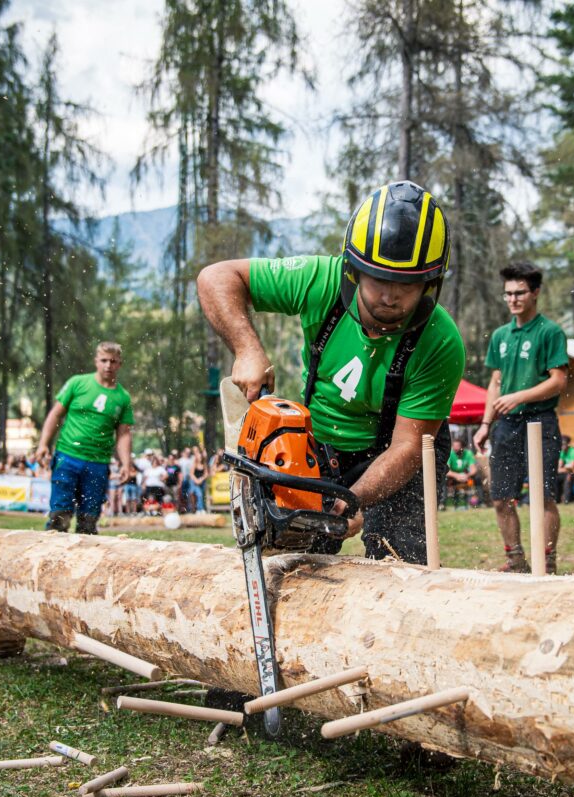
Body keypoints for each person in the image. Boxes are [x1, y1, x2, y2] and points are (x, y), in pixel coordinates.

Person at [197, 180, 465, 565]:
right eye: (379, 279)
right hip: (321, 438)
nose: (390, 296)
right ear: (353, 270)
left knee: (399, 560)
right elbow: (216, 277)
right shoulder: (318, 279)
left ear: (430, 284)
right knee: (291, 558)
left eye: (406, 285)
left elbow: (407, 447)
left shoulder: (441, 341)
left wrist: (355, 498)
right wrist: (247, 349)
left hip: (398, 446)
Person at [473, 261, 568, 574]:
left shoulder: (550, 332)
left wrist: (519, 396)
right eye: (508, 294)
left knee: (543, 497)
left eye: (520, 293)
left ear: (535, 293)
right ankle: (515, 561)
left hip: (541, 421)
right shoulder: (501, 335)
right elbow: (496, 383)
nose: (513, 299)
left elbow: (558, 381)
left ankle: (547, 562)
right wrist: (486, 424)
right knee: (501, 498)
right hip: (506, 426)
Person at [34, 342, 136, 534]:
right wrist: (43, 445)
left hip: (98, 463)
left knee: (88, 522)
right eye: (104, 360)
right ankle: (50, 558)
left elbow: (123, 433)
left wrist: (126, 463)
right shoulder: (77, 383)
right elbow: (56, 414)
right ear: (96, 361)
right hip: (67, 456)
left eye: (113, 361)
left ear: (119, 364)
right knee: (60, 516)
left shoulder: (123, 397)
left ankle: (83, 562)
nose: (108, 365)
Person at [445, 438, 477, 507]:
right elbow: (446, 471)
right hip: (452, 478)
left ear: (462, 447)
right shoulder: (450, 453)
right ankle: (442, 504)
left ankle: (477, 502)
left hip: (466, 478)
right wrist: (456, 476)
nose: (455, 448)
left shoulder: (468, 453)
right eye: (454, 446)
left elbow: (474, 470)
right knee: (443, 479)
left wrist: (467, 475)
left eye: (458, 446)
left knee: (477, 479)